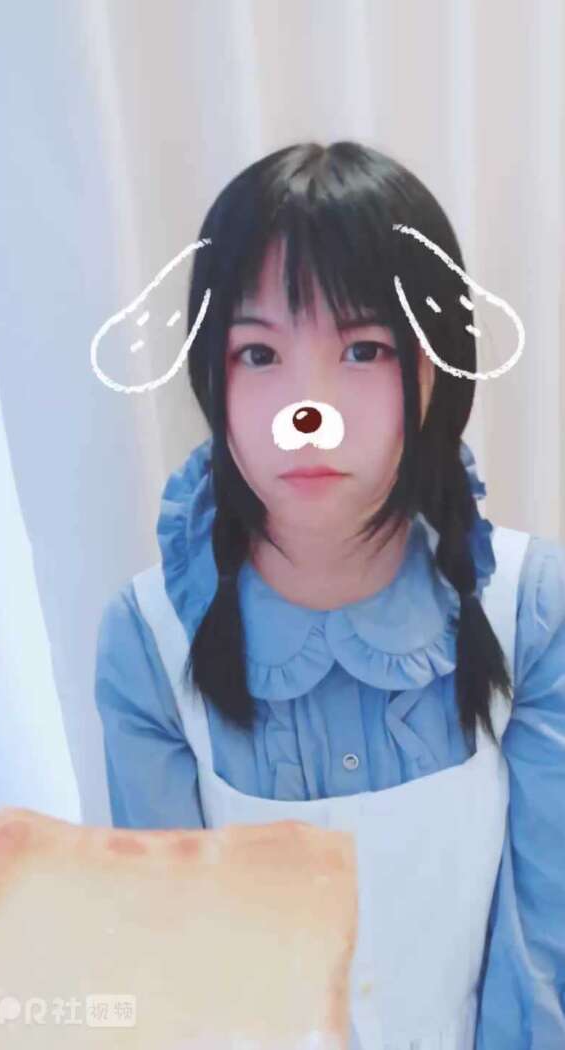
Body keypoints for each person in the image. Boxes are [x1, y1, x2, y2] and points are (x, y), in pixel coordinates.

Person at [94, 141, 565, 1049]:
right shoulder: (149, 639)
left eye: (361, 349)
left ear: (432, 369)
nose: (304, 412)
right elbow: (177, 977)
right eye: (259, 353)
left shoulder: (529, 608)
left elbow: (540, 957)